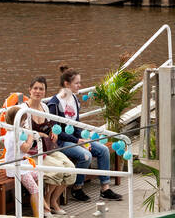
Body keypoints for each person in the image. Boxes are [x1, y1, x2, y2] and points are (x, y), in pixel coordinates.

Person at [46, 66, 120, 203]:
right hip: (62, 142)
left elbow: (77, 123)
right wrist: (77, 140)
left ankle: (105, 188)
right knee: (85, 155)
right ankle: (77, 188)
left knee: (103, 150)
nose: (80, 85)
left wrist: (83, 138)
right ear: (67, 84)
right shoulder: (55, 104)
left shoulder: (74, 99)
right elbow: (57, 132)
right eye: (77, 83)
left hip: (76, 138)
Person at [19, 77, 77, 215]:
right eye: (35, 88)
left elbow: (50, 125)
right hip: (33, 152)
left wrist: (53, 133)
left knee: (70, 169)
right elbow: (23, 132)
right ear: (30, 90)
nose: (38, 91)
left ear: (45, 92)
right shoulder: (23, 110)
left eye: (41, 89)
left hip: (48, 147)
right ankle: (46, 203)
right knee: (57, 170)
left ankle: (51, 200)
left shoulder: (44, 107)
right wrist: (39, 134)